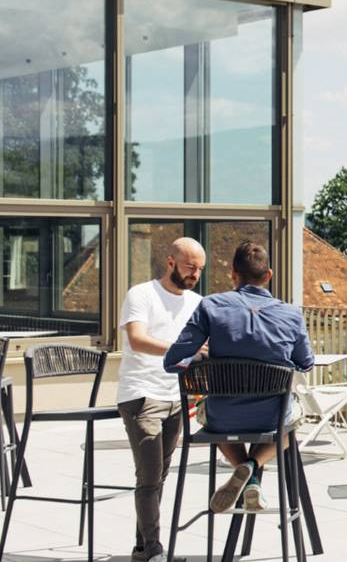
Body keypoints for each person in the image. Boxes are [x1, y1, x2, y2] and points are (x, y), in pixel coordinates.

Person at [164, 242, 314, 515]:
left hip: (222, 418)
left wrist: (201, 358)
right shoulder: (292, 314)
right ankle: (253, 470)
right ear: (268, 275)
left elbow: (172, 361)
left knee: (209, 416)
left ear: (233, 275)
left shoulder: (210, 306)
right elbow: (306, 363)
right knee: (293, 422)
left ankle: (246, 472)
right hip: (272, 417)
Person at [117, 237, 206, 562]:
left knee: (159, 476)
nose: (194, 273)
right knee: (150, 476)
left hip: (176, 396)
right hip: (141, 395)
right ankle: (153, 549)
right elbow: (137, 340)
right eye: (189, 266)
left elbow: (204, 346)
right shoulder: (141, 294)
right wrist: (184, 350)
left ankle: (142, 548)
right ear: (170, 262)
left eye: (199, 269)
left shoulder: (197, 302)